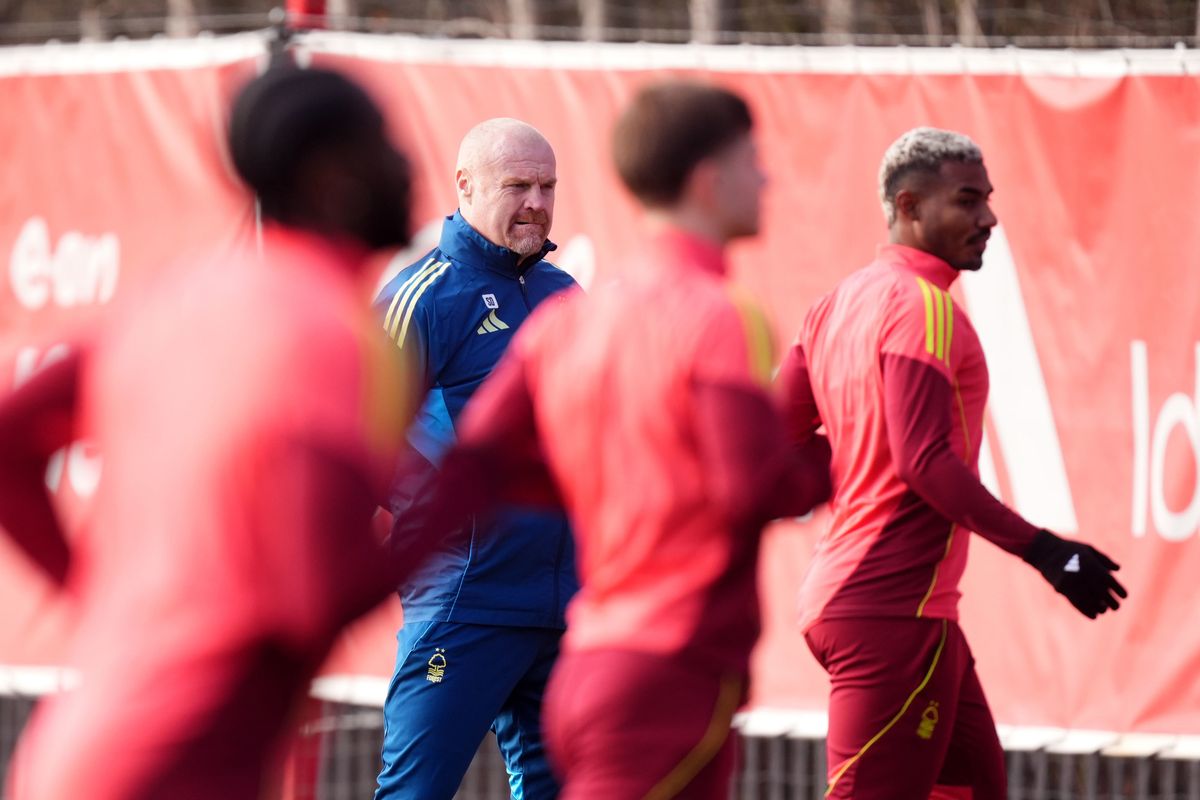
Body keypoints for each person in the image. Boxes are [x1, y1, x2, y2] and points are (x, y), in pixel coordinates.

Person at [0, 66, 424, 800]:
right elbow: (311, 595)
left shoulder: (177, 299)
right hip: (176, 769)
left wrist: (88, 593)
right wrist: (469, 497)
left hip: (80, 755)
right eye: (382, 140)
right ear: (332, 177)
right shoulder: (329, 331)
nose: (405, 160)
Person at [415, 81, 832, 800]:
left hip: (589, 658)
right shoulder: (718, 314)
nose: (766, 178)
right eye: (752, 160)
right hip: (669, 671)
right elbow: (751, 489)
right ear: (709, 180)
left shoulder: (573, 317)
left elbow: (475, 469)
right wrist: (846, 451)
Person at [776, 127, 1128, 799]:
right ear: (909, 207)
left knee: (972, 787)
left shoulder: (835, 304)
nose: (989, 218)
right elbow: (924, 462)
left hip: (883, 607)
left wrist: (858, 459)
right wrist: (1048, 552)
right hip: (889, 611)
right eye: (968, 201)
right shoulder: (925, 309)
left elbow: (781, 436)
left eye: (988, 200)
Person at [373, 118, 577, 800]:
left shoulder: (566, 297)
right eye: (518, 185)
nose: (537, 203)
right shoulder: (423, 295)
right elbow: (363, 444)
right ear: (464, 185)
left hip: (566, 609)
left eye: (548, 186)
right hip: (464, 603)